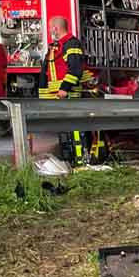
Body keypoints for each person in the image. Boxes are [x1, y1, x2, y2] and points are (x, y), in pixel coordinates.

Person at [39, 16, 102, 165]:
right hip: (58, 99)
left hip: (68, 96)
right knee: (65, 132)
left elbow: (75, 70)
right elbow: (47, 73)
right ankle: (69, 160)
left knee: (75, 131)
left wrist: (64, 89)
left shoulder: (71, 44)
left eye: (50, 28)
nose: (49, 31)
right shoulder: (56, 47)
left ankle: (80, 161)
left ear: (55, 28)